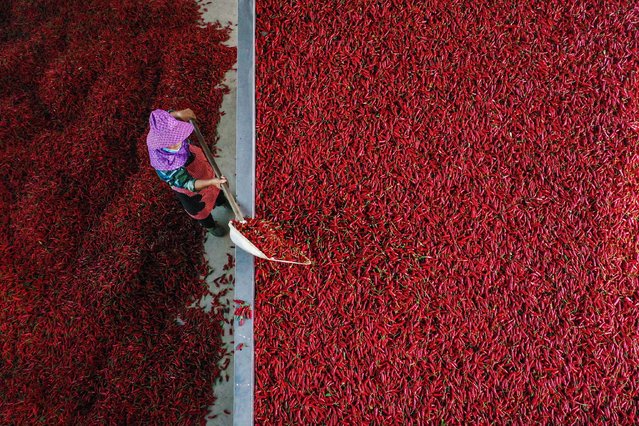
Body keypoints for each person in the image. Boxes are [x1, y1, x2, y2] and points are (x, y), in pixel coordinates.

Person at [146, 108, 229, 236]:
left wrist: (178, 114)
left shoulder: (158, 129)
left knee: (217, 191)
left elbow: (162, 117)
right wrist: (211, 182)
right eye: (171, 143)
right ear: (162, 144)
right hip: (191, 192)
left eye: (178, 137)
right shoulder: (165, 166)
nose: (178, 142)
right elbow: (189, 184)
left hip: (201, 168)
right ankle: (211, 226)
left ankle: (222, 200)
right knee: (200, 210)